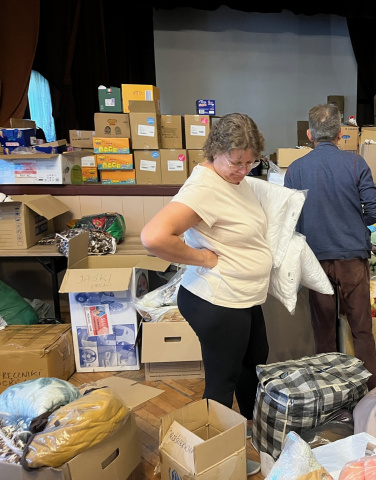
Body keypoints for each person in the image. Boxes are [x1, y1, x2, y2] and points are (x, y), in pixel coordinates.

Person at [141, 113, 268, 476]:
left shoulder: (235, 180)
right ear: (215, 152)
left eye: (250, 161)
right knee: (222, 381)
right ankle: (212, 462)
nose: (243, 169)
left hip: (242, 296)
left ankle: (250, 437)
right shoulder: (204, 188)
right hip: (217, 299)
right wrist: (201, 258)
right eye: (236, 161)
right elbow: (154, 237)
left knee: (254, 362)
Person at [284, 104, 376, 390]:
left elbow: (289, 218)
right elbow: (375, 212)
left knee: (324, 331)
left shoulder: (296, 169)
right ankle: (373, 392)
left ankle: (330, 393)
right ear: (341, 133)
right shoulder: (356, 164)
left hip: (314, 259)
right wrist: (354, 221)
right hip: (353, 257)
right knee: (362, 329)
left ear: (309, 134)